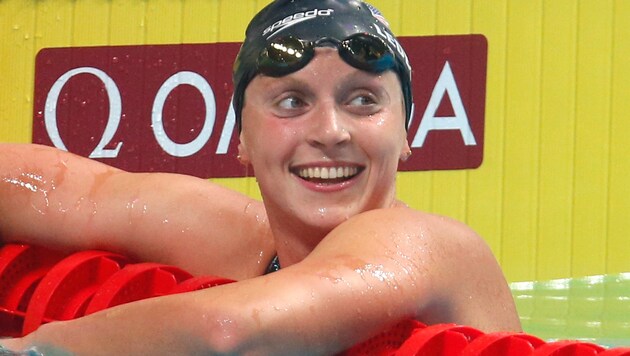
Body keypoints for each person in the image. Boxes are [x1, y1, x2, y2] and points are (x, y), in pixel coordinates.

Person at [0, 0, 521, 354]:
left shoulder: (424, 245)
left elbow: (229, 331)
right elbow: (72, 192)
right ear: (241, 141)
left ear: (406, 132)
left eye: (362, 100)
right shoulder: (242, 240)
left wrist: (30, 348)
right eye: (292, 101)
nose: (330, 131)